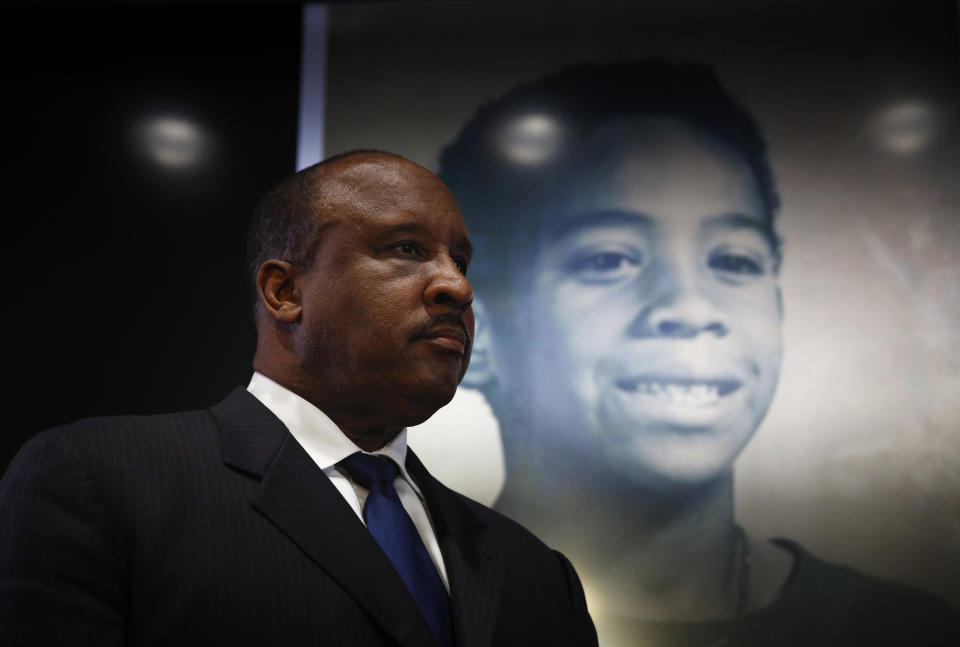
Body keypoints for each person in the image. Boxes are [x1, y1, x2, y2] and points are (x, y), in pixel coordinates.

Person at [438, 61, 960, 646]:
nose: (689, 308)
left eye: (734, 261)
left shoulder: (904, 630)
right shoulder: (401, 612)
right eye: (608, 260)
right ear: (475, 336)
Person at [0, 151, 598, 647]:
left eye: (460, 260)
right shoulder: (101, 482)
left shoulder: (537, 574)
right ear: (284, 291)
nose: (456, 286)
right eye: (406, 249)